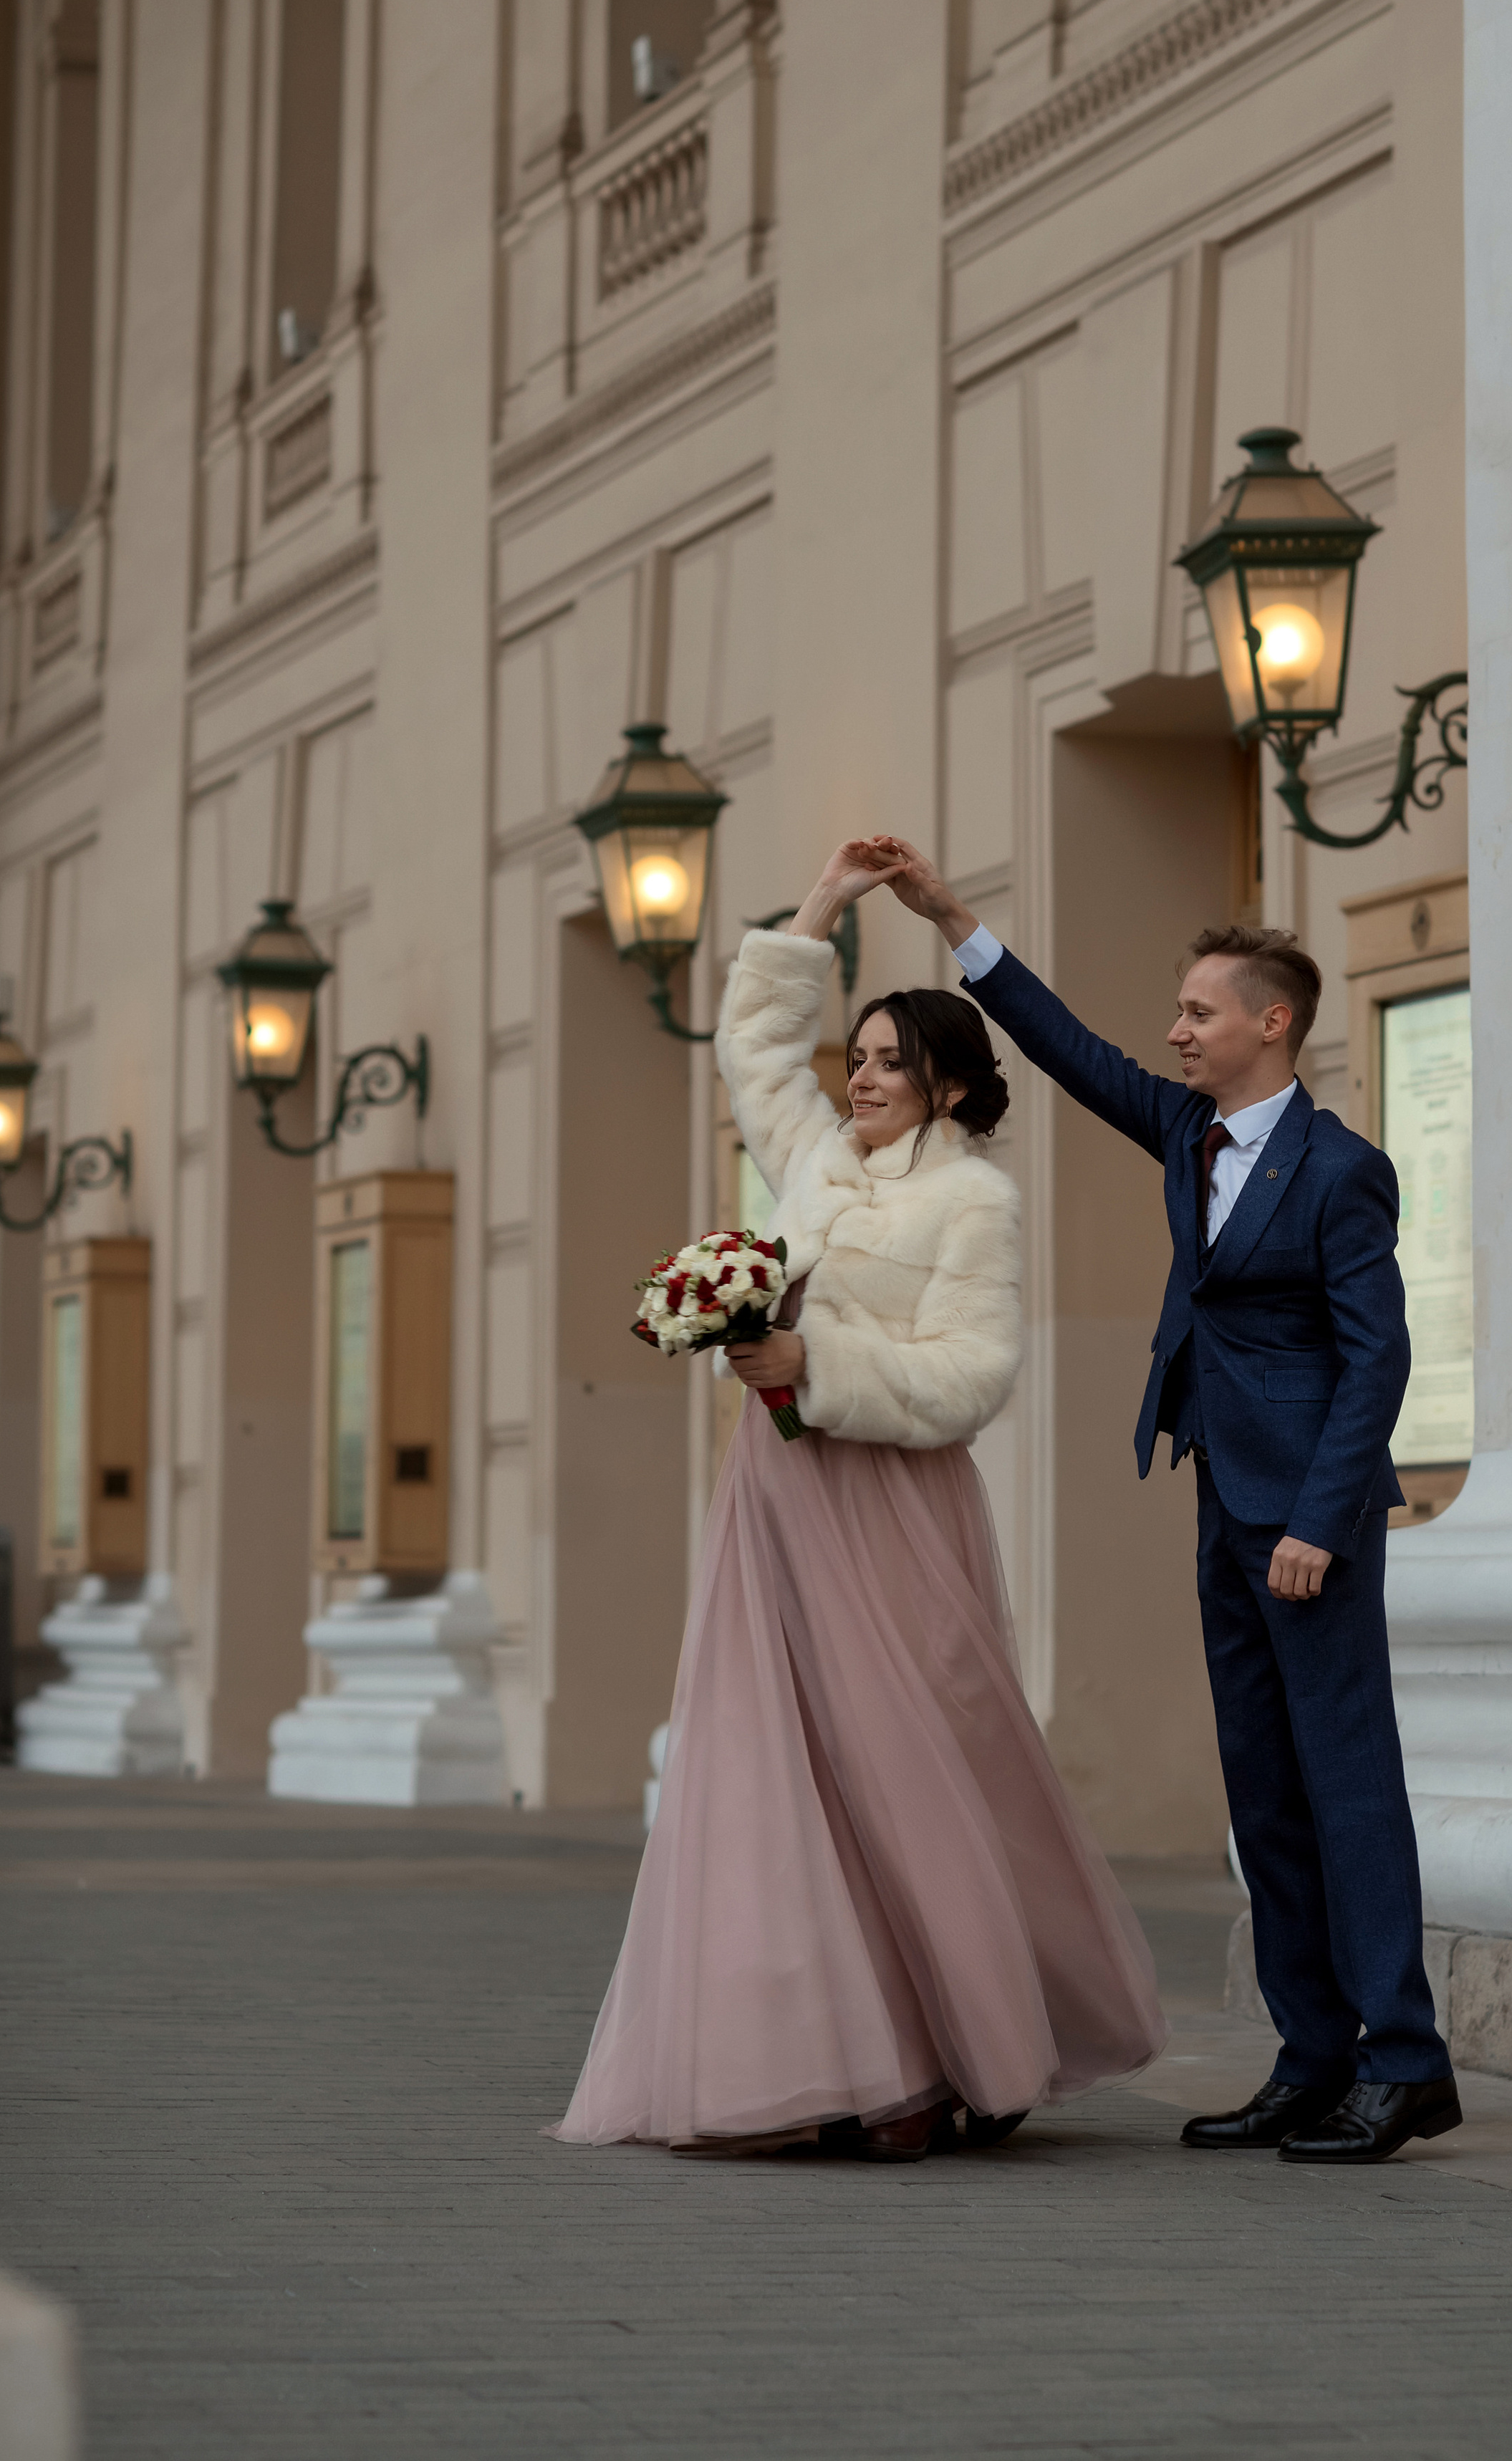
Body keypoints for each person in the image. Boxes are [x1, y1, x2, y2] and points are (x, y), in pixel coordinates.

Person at [549, 842, 1167, 2159]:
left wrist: (814, 1365)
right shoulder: (817, 1164)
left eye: (890, 1060)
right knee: (784, 1768)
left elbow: (972, 1377)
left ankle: (947, 2061)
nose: (863, 1077)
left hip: (891, 1518)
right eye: (862, 1055)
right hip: (777, 1510)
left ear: (946, 1080)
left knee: (913, 1771)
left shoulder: (972, 1204)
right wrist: (822, 910)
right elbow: (757, 1054)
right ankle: (827, 2061)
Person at [870, 837, 1460, 2167]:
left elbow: (1380, 1356)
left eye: (1200, 1010)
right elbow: (1073, 1053)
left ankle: (1406, 2062)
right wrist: (959, 924)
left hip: (1311, 1516)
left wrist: (1319, 1520)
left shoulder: (1340, 1168)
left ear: (1275, 1021)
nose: (1177, 1029)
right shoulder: (1189, 1129)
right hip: (1221, 1493)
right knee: (1264, 1788)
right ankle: (1313, 2059)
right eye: (1180, 1011)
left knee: (1347, 1785)